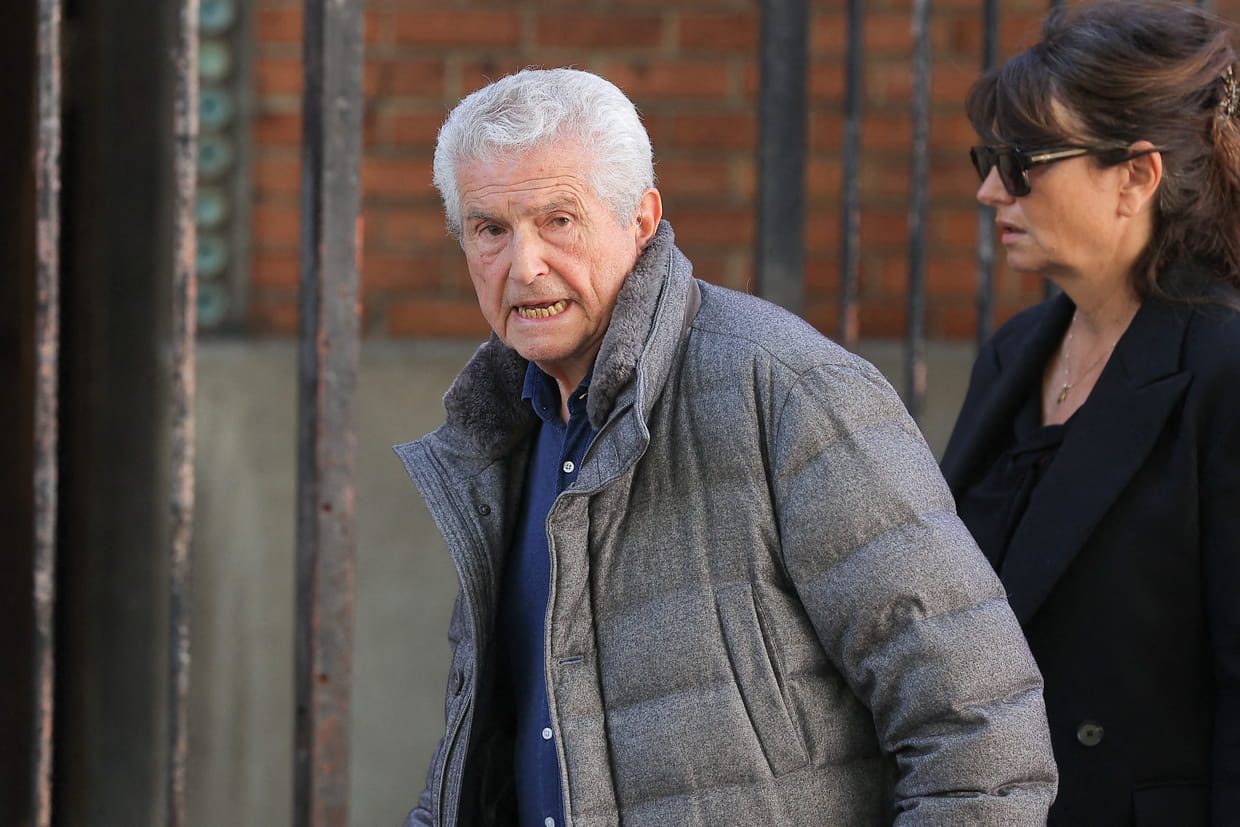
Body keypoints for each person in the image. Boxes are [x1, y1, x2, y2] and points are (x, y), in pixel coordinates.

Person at [396, 66, 1056, 826]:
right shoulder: (499, 435)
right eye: (491, 229)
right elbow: (481, 760)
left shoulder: (789, 390)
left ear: (641, 220)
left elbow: (979, 729)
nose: (525, 265)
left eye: (559, 220)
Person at [941, 1, 1240, 824]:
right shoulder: (1016, 354)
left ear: (1135, 177)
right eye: (990, 158)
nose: (990, 189)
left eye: (1022, 162)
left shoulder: (1223, 367)